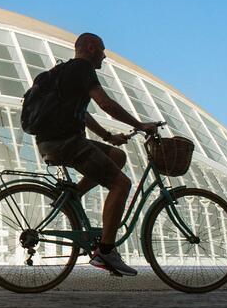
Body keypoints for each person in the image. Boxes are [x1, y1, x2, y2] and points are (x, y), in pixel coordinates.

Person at [34, 33, 160, 275]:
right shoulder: (83, 68)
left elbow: (82, 113)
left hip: (51, 142)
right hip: (66, 143)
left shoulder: (62, 71)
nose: (104, 56)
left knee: (117, 156)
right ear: (91, 48)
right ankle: (106, 251)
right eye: (102, 50)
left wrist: (107, 136)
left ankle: (74, 197)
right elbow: (105, 104)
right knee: (121, 184)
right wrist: (140, 124)